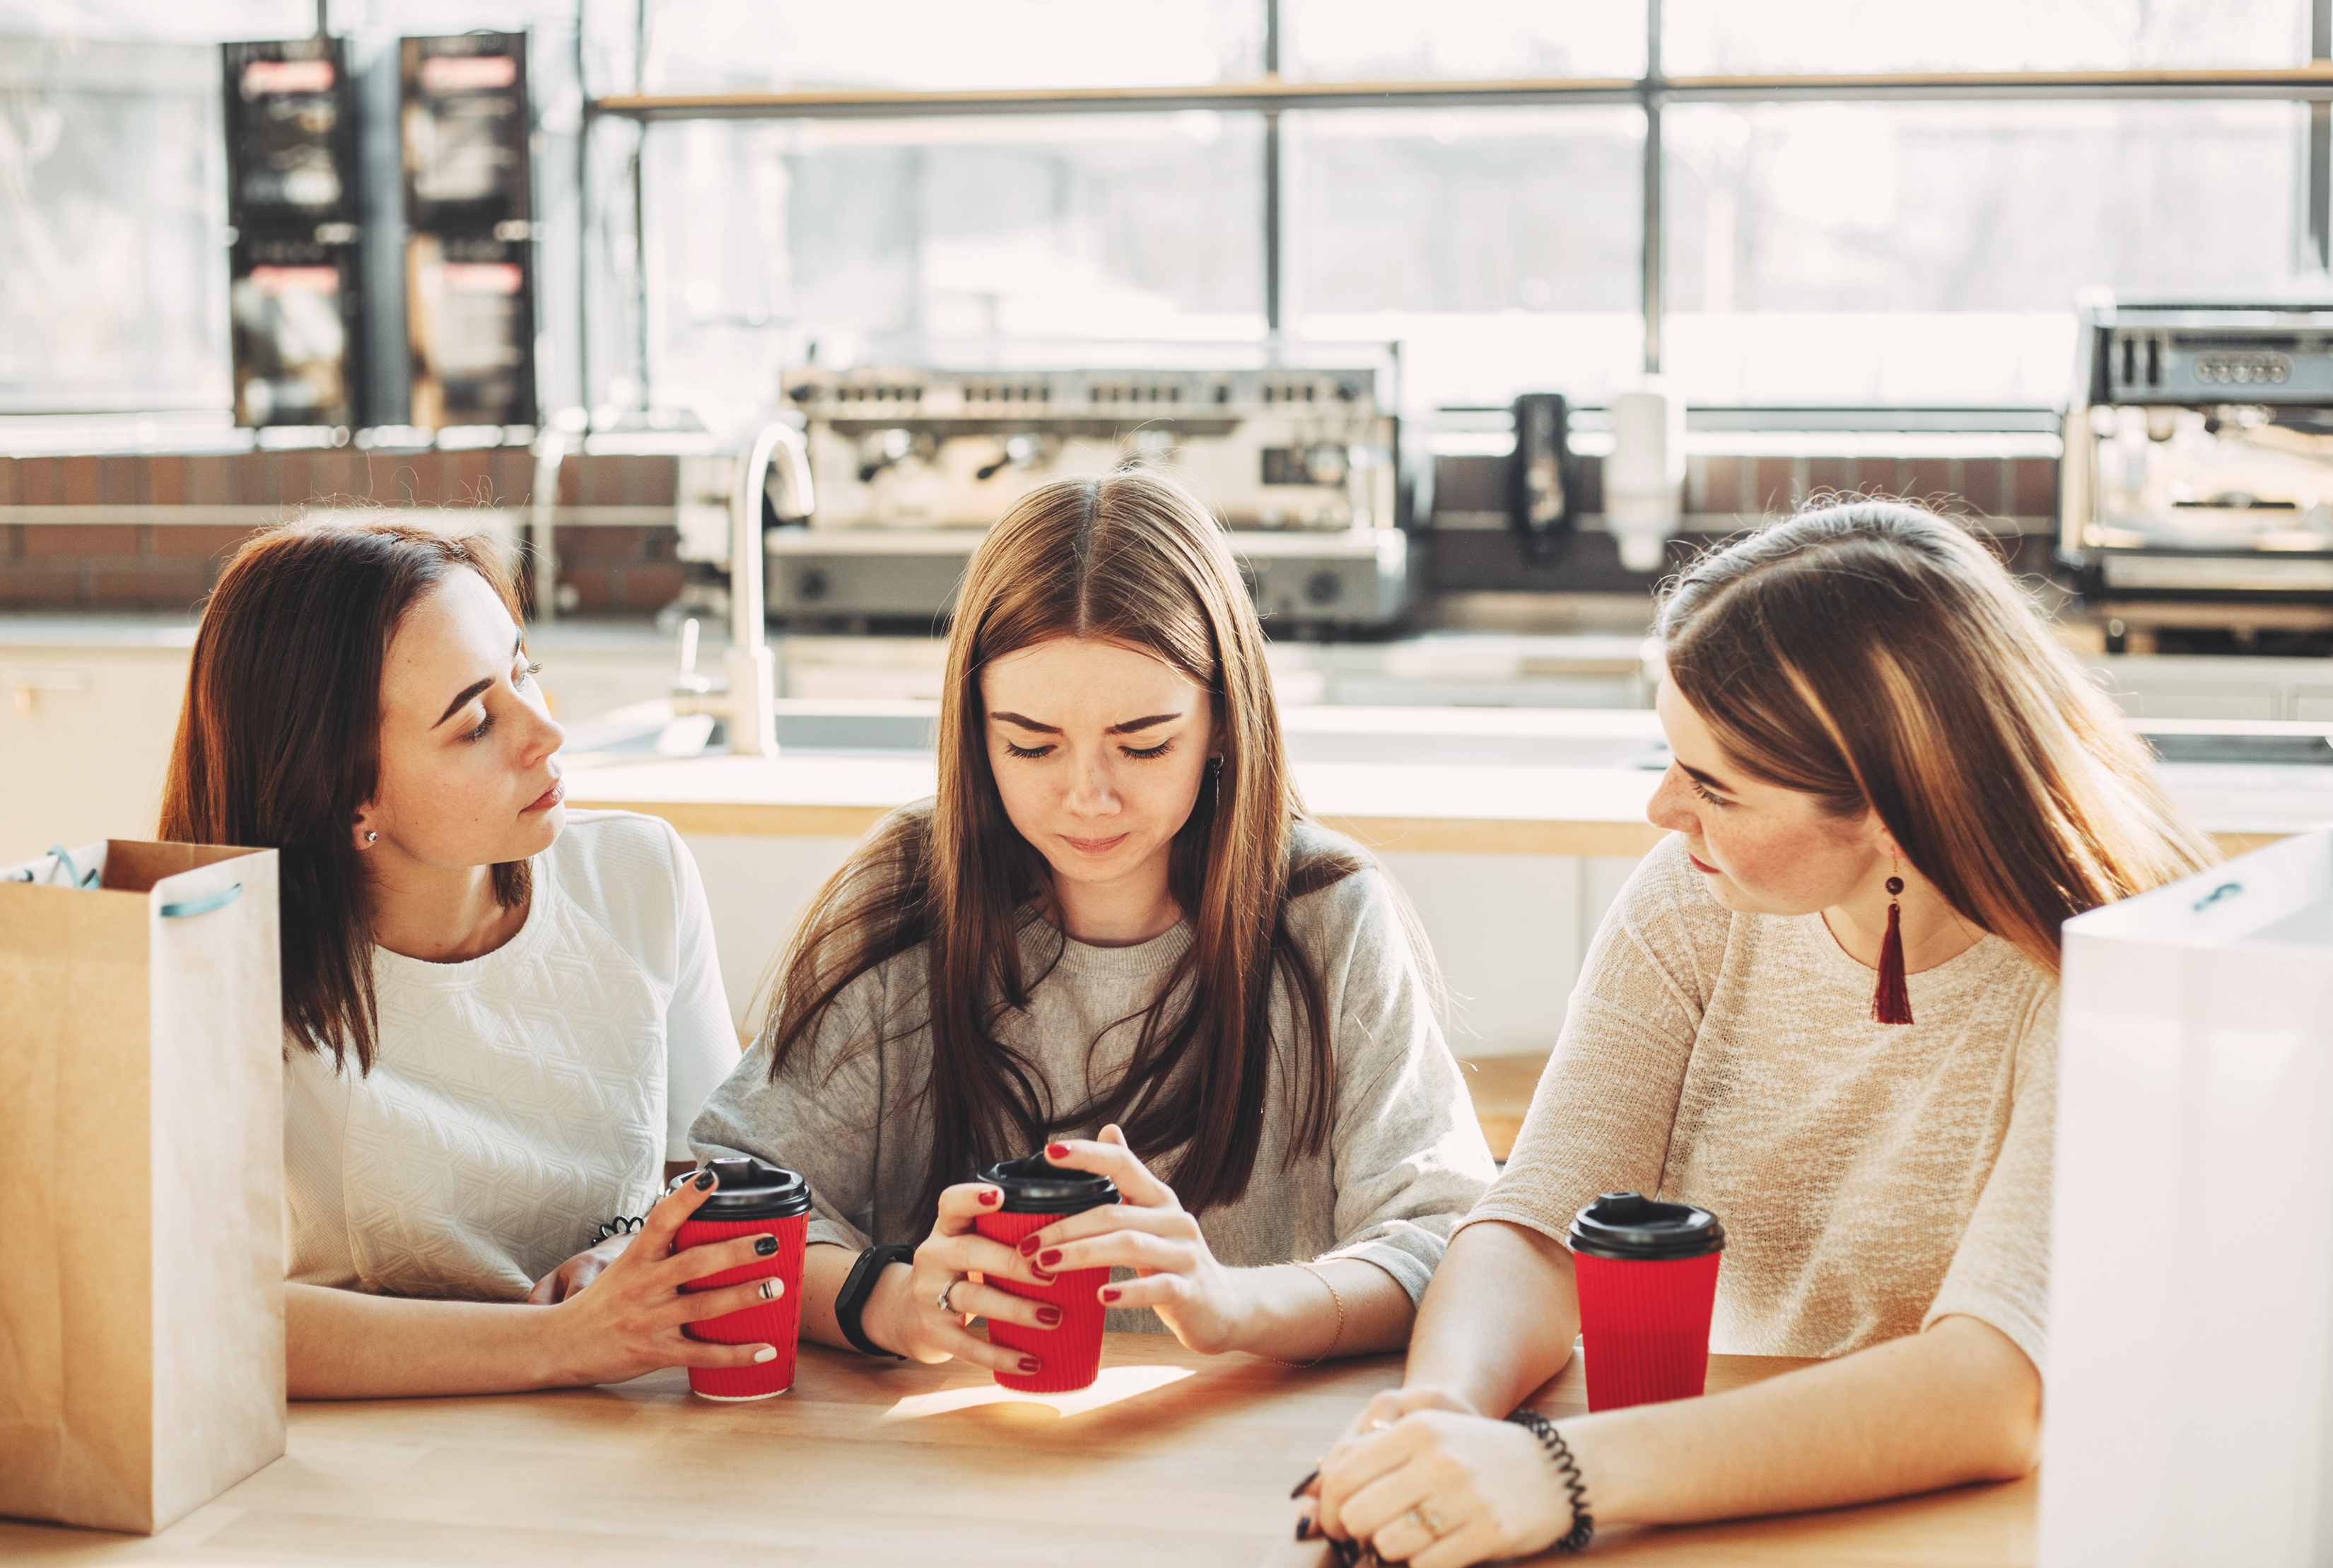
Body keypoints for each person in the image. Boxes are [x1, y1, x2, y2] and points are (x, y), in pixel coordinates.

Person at [1300, 500, 2218, 1564]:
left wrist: (1559, 1469)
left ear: (1887, 808)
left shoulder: (2108, 972)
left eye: (1713, 786)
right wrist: (1444, 1411)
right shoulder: (1695, 898)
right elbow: (1540, 1219)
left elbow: (1990, 1392)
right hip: (1714, 1501)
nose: (1662, 809)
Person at [691, 469, 1496, 1380]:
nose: (1088, 796)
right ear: (974, 729)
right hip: (951, 1467)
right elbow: (728, 1198)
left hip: (1245, 1458)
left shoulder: (1327, 914)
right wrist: (893, 1298)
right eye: (1029, 744)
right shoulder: (907, 892)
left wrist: (1232, 1305)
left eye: (1144, 743)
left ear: (1225, 719)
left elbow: (1452, 1241)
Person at [160, 519, 773, 1398]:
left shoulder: (638, 876)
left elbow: (715, 1173)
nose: (546, 733)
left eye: (523, 668)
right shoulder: (223, 964)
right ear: (343, 797)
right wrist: (561, 1342)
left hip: (623, 1417)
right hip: (364, 1458)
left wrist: (624, 1256)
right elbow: (213, 1311)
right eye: (478, 720)